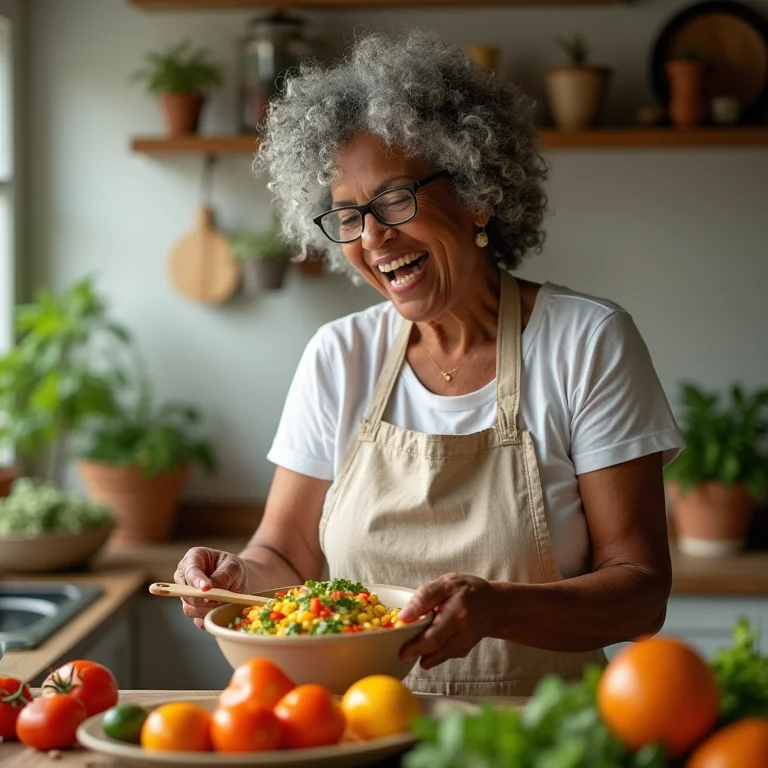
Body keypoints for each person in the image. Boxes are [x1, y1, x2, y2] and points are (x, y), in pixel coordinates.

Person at [175, 29, 684, 696]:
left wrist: (500, 609)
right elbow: (288, 557)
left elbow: (641, 595)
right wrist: (240, 576)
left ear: (477, 193)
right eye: (349, 215)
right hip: (359, 730)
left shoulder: (586, 342)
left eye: (394, 200)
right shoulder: (339, 356)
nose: (374, 237)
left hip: (539, 736)